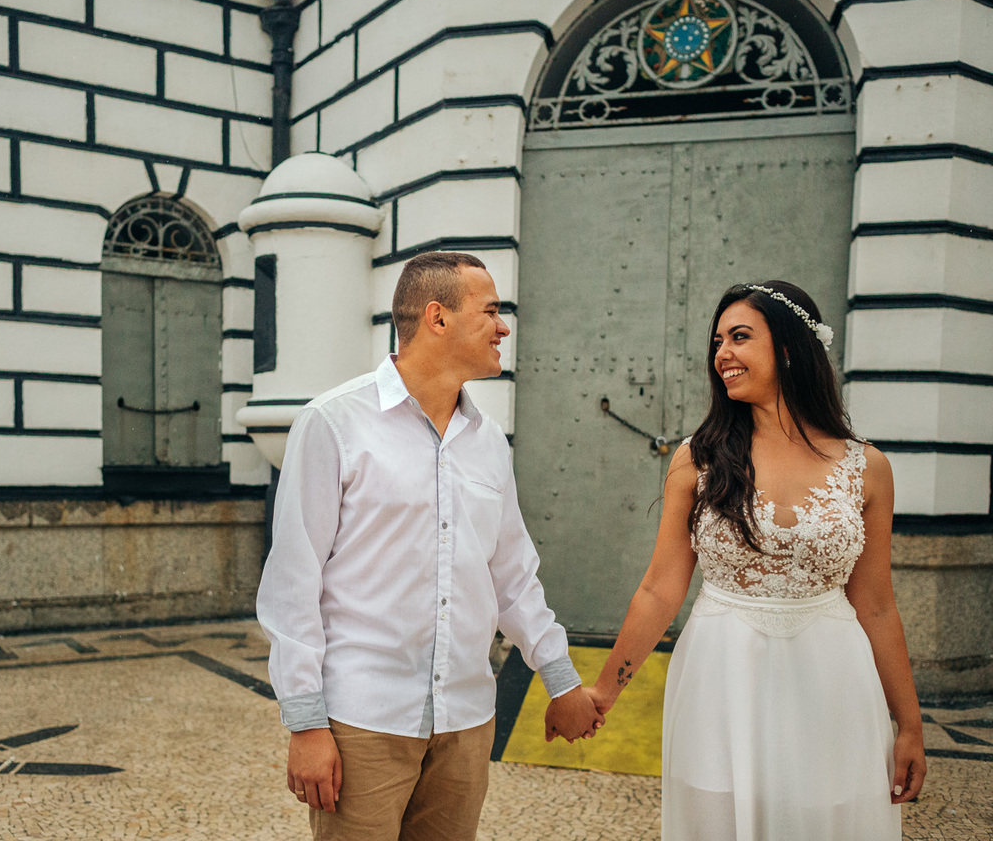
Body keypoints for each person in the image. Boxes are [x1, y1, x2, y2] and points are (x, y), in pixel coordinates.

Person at [255, 252, 602, 841]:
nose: (503, 326)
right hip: (364, 720)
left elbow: (511, 574)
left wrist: (561, 678)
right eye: (491, 310)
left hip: (467, 722)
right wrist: (306, 723)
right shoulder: (333, 423)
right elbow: (294, 582)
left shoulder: (488, 440)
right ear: (437, 318)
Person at [582, 281, 926, 840]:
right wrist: (604, 692)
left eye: (740, 337)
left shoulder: (869, 469)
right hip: (721, 675)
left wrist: (909, 726)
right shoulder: (697, 459)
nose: (722, 354)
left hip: (832, 678)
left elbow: (878, 606)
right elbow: (659, 590)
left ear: (789, 348)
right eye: (718, 340)